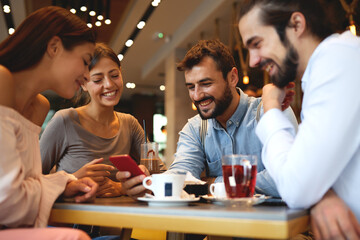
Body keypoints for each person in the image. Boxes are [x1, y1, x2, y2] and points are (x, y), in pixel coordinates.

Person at [238, 0, 360, 239]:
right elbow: (308, 174)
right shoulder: (331, 63)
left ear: (296, 24)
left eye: (257, 43)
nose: (253, 61)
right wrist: (321, 194)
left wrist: (271, 108)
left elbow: (296, 187)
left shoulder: (337, 58)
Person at [117, 39, 298, 198]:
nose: (197, 96)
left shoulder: (271, 110)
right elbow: (182, 176)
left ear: (233, 77)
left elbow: (289, 177)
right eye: (191, 87)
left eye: (206, 84)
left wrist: (212, 182)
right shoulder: (195, 128)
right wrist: (147, 184)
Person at [0, 6, 98, 240]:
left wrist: (64, 182)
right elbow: (9, 203)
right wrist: (60, 184)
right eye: (85, 61)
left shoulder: (39, 106)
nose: (87, 75)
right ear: (54, 47)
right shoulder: (1, 79)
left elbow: (21, 187)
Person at [40, 43, 147, 199]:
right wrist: (72, 178)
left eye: (115, 75)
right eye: (97, 80)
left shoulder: (130, 124)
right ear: (83, 83)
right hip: (71, 222)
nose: (109, 84)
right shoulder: (64, 121)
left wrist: (122, 188)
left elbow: (160, 174)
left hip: (120, 220)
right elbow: (31, 180)